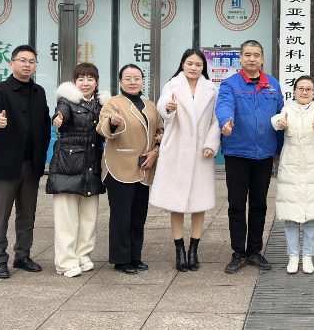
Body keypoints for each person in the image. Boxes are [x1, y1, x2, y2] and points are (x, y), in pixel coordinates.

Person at [0, 44, 52, 279]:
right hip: (6, 162)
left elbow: (44, 121)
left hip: (32, 163)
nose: (27, 65)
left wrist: (42, 152)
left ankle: (22, 255)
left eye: (31, 61)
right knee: (0, 214)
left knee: (27, 213)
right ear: (11, 63)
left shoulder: (39, 91)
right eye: (22, 60)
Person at [215, 40, 285, 274]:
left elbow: (281, 117)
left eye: (256, 55)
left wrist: (278, 149)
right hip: (237, 153)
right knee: (236, 205)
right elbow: (224, 106)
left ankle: (254, 251)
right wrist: (225, 122)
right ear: (241, 58)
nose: (252, 58)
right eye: (247, 54)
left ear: (262, 59)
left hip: (264, 154)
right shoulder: (230, 84)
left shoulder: (273, 85)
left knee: (258, 205)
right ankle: (238, 252)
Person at [152, 49, 221, 272]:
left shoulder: (212, 89)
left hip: (201, 153)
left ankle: (194, 249)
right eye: (190, 63)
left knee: (200, 203)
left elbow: (216, 121)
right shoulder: (172, 86)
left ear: (203, 67)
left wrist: (211, 144)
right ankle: (179, 249)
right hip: (177, 150)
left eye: (198, 65)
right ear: (182, 64)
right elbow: (163, 105)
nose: (193, 68)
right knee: (177, 202)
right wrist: (168, 108)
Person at [97, 64, 162, 274]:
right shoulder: (113, 104)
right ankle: (121, 259)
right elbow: (102, 127)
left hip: (144, 167)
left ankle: (135, 256)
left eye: (137, 78)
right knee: (121, 216)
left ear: (142, 81)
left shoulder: (150, 105)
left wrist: (155, 151)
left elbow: (160, 131)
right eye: (128, 78)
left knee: (138, 215)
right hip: (120, 166)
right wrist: (113, 122)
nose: (133, 82)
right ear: (120, 82)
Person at [47, 63, 110, 278]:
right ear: (74, 82)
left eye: (90, 79)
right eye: (81, 79)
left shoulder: (101, 104)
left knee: (89, 216)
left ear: (96, 82)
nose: (85, 83)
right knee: (66, 218)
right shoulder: (67, 100)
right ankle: (65, 262)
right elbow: (61, 114)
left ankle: (82, 255)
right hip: (68, 165)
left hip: (92, 166)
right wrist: (58, 119)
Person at [273, 76, 314, 274]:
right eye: (300, 88)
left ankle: (308, 256)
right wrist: (280, 122)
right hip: (291, 167)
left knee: (311, 216)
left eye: (308, 89)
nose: (304, 92)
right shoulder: (288, 109)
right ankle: (292, 256)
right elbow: (276, 119)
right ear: (294, 91)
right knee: (290, 216)